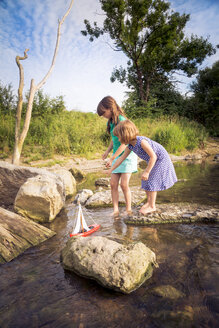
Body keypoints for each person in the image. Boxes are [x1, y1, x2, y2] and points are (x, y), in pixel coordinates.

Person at [103, 120, 177, 215]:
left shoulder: (141, 142)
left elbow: (153, 156)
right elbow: (121, 158)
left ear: (125, 135)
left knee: (152, 180)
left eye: (118, 136)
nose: (117, 139)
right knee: (145, 180)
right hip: (154, 159)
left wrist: (147, 171)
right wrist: (111, 170)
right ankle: (149, 202)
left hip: (160, 160)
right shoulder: (130, 146)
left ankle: (152, 206)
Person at [97, 96, 137, 218]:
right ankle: (116, 210)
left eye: (104, 113)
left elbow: (125, 143)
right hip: (115, 155)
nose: (103, 116)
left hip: (126, 156)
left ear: (110, 108)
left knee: (124, 184)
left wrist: (112, 158)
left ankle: (128, 209)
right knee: (113, 183)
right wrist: (107, 152)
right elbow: (114, 139)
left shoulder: (121, 120)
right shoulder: (111, 121)